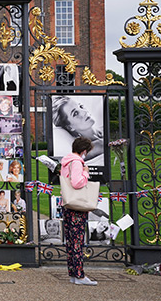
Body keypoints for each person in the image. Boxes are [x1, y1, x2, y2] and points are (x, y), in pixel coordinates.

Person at [61, 136, 97, 285]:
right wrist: (86, 173)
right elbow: (77, 183)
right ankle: (80, 275)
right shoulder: (77, 162)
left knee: (71, 241)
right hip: (77, 205)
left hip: (68, 203)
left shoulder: (67, 161)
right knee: (77, 241)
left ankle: (73, 273)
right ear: (83, 151)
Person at [52, 96, 103, 163]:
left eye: (81, 106)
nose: (84, 112)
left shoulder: (105, 130)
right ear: (69, 127)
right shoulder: (86, 149)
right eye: (75, 113)